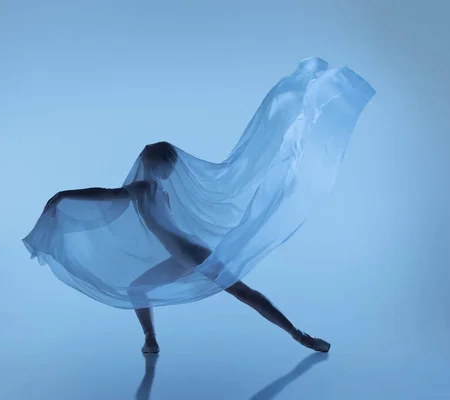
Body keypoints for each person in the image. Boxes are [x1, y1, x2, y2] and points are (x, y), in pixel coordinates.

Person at [44, 141, 331, 353]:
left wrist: (64, 195)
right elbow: (109, 196)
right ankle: (150, 341)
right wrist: (64, 195)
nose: (173, 170)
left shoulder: (151, 188)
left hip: (191, 252)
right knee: (137, 289)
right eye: (169, 165)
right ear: (156, 163)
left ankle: (299, 335)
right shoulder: (149, 188)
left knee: (242, 292)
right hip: (182, 256)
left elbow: (112, 196)